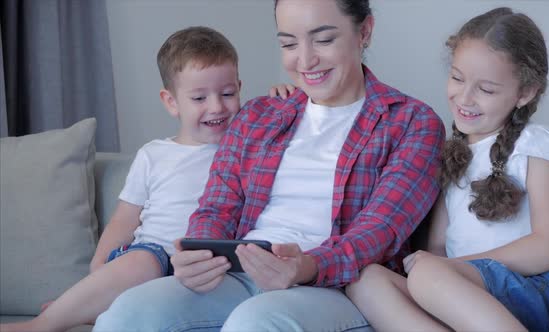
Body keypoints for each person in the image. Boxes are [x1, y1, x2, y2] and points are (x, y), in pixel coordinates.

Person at [92, 0, 445, 331]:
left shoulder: (412, 122)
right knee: (128, 312)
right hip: (242, 271)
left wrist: (306, 266)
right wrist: (199, 252)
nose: (305, 61)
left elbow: (380, 230)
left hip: (341, 286)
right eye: (289, 44)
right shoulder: (259, 116)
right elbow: (218, 205)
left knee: (255, 322)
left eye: (323, 39)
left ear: (364, 31)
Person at [345, 7, 549, 332]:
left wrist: (449, 269)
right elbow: (436, 247)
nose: (464, 97)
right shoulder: (450, 154)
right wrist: (441, 269)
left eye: (486, 89)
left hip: (530, 285)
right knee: (363, 278)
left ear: (525, 93)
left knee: (428, 273)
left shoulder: (536, 144)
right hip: (460, 292)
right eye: (457, 78)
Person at [0, 26, 242, 332]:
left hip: (205, 264)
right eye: (199, 97)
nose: (217, 106)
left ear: (239, 88)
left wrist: (282, 95)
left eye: (228, 93)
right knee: (140, 264)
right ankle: (43, 324)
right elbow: (124, 220)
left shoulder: (246, 148)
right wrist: (98, 266)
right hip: (153, 255)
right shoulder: (154, 155)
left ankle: (92, 309)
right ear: (171, 102)